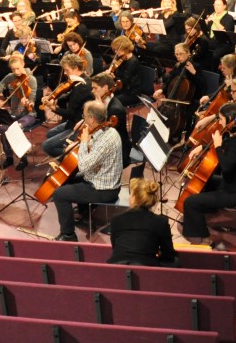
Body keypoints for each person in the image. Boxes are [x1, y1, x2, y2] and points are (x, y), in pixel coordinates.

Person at [180, 102, 236, 247]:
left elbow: (226, 167)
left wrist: (218, 146)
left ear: (230, 120)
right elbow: (226, 148)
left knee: (190, 202)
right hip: (234, 183)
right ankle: (203, 212)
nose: (219, 122)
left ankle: (205, 238)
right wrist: (202, 147)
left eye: (221, 119)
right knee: (203, 180)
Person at [50, 100, 124, 242]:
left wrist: (84, 142)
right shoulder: (110, 131)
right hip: (100, 179)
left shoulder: (105, 141)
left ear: (92, 119)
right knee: (68, 179)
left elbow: (84, 166)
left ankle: (68, 235)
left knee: (59, 194)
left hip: (104, 190)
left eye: (84, 116)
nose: (83, 119)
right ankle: (84, 213)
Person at [107, 178, 178, 267]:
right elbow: (169, 255)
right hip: (147, 269)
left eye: (131, 194)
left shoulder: (116, 219)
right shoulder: (161, 222)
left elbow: (115, 247)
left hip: (116, 266)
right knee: (176, 261)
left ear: (134, 198)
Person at [39, 54, 92, 159]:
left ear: (76, 68)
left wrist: (54, 108)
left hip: (77, 125)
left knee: (46, 146)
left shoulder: (82, 86)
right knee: (50, 134)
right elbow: (69, 96)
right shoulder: (79, 80)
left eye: (67, 70)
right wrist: (53, 98)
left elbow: (71, 113)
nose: (65, 73)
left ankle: (73, 157)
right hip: (72, 121)